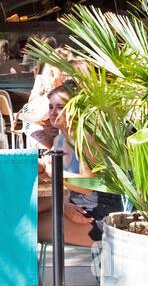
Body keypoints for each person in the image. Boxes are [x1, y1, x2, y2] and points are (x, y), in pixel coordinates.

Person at [28, 84, 99, 246]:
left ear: (75, 109)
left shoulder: (85, 139)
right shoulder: (59, 140)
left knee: (28, 229)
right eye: (51, 107)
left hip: (95, 216)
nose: (52, 113)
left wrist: (51, 170)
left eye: (60, 107)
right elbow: (61, 184)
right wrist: (63, 205)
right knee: (24, 209)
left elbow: (88, 186)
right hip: (74, 206)